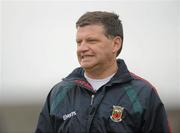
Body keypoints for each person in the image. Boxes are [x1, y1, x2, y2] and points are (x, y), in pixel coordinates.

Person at [35, 11, 171, 133]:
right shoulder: (59, 93)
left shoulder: (143, 93)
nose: (82, 48)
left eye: (91, 41)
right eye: (79, 42)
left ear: (115, 44)